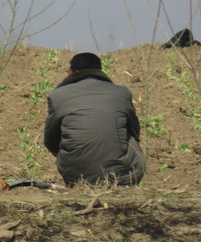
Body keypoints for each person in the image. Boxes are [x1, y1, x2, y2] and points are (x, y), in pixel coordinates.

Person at [43, 52, 146, 186]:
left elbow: (50, 140)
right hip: (121, 177)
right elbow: (134, 130)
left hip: (74, 175)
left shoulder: (57, 96)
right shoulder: (121, 93)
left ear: (73, 72)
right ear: (99, 71)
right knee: (130, 138)